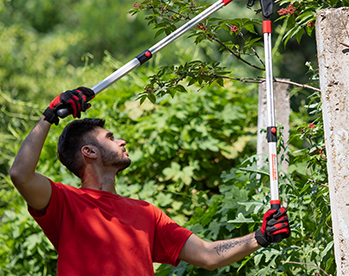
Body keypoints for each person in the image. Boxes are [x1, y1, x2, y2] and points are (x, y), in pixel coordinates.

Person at [10, 87, 290, 275]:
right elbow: (20, 175)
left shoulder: (146, 213)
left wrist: (260, 237)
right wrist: (50, 115)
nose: (121, 140)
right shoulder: (64, 202)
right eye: (110, 137)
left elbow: (207, 255)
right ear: (89, 152)